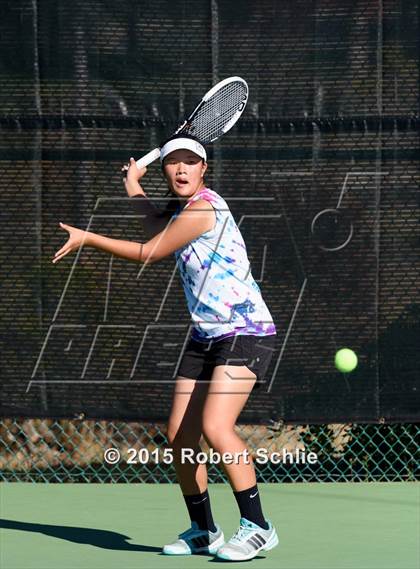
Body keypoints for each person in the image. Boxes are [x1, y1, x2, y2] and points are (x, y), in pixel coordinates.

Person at [52, 133, 279, 562]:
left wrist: (89, 238)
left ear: (203, 169)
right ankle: (203, 530)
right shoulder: (182, 210)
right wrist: (134, 185)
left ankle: (258, 527)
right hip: (206, 334)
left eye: (189, 163)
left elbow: (149, 251)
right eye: (172, 163)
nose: (180, 170)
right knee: (180, 436)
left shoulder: (206, 208)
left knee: (215, 427)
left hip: (246, 330)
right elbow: (157, 225)